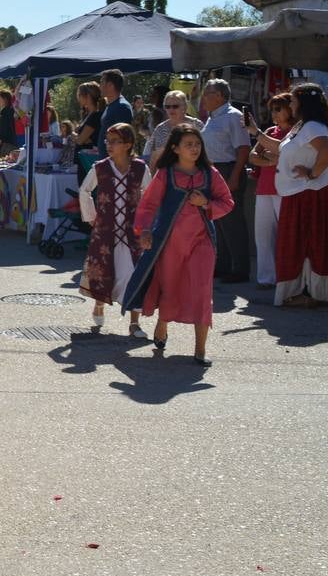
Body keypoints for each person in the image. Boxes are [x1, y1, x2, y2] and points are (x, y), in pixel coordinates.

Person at [124, 124, 234, 366]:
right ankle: (162, 324)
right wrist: (144, 230)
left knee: (202, 291)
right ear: (175, 149)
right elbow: (148, 205)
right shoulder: (165, 174)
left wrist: (206, 203)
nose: (195, 149)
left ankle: (200, 349)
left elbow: (227, 202)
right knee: (170, 288)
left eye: (197, 144)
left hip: (202, 240)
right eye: (188, 145)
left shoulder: (210, 173)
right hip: (169, 242)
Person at [257, 83, 328, 307]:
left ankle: (308, 292)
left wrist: (313, 174)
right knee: (299, 241)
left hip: (308, 195)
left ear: (303, 102)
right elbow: (281, 149)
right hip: (299, 193)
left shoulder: (313, 126)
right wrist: (255, 133)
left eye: (292, 100)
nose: (290, 104)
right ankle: (307, 291)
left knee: (305, 241)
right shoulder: (303, 126)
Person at [78, 124, 151, 333]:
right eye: (107, 141)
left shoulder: (140, 168)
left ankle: (134, 322)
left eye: (115, 141)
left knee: (133, 274)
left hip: (132, 233)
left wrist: (145, 222)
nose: (109, 145)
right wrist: (91, 217)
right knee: (104, 271)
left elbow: (149, 195)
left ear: (128, 144)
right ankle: (99, 304)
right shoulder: (100, 167)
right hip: (105, 231)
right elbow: (84, 190)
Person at [198, 79, 251, 283]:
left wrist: (235, 176)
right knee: (218, 221)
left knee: (233, 222)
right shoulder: (212, 117)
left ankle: (240, 269)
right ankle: (223, 265)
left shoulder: (233, 117)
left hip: (228, 169)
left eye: (207, 93)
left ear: (219, 95)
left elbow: (243, 148)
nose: (204, 98)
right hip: (213, 170)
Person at [245, 93, 294, 290]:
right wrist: (271, 159)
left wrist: (269, 155)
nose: (274, 114)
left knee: (285, 235)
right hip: (264, 188)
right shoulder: (270, 131)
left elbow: (283, 152)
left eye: (278, 109)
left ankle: (286, 276)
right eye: (272, 109)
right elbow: (252, 156)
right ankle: (266, 278)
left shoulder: (295, 132)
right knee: (263, 235)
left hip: (284, 190)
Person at [144, 90, 202, 167]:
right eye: (167, 107)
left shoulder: (197, 125)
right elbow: (153, 156)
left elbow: (206, 152)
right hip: (167, 173)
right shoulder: (160, 129)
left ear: (185, 106)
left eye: (175, 106)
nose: (171, 110)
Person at [97, 69, 133, 160]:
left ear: (110, 86)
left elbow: (123, 139)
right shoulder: (111, 106)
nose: (99, 86)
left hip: (115, 163)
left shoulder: (122, 107)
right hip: (106, 161)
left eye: (101, 83)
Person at [74, 82, 105, 151]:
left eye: (79, 95)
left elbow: (80, 141)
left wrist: (72, 134)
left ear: (88, 96)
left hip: (87, 158)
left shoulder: (96, 116)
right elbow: (83, 139)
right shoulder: (87, 114)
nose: (78, 98)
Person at [0, 87, 19, 158]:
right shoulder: (14, 110)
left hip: (6, 144)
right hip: (14, 142)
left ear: (5, 99)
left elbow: (2, 130)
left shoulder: (5, 111)